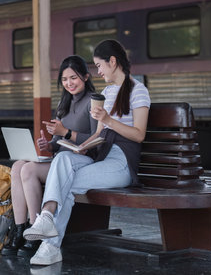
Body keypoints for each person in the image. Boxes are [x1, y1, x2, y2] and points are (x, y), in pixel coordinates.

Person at [23, 39, 151, 265]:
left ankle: (50, 245)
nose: (98, 71)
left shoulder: (139, 91)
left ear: (113, 62)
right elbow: (99, 135)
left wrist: (108, 119)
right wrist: (80, 147)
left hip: (121, 161)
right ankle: (46, 218)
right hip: (101, 155)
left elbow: (139, 134)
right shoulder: (107, 92)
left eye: (100, 65)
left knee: (66, 182)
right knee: (63, 159)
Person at [1, 55, 98, 256]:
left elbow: (96, 141)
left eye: (74, 78)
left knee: (28, 169)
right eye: (64, 79)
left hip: (83, 162)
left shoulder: (92, 102)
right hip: (61, 160)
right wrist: (48, 145)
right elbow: (58, 143)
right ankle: (20, 229)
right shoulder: (64, 103)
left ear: (86, 77)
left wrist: (65, 133)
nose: (69, 83)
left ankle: (36, 227)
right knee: (19, 165)